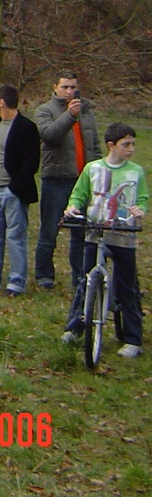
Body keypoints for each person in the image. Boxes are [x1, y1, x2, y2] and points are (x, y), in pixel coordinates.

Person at [61, 123, 146, 357]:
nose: (131, 149)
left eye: (132, 144)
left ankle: (132, 338)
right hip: (95, 232)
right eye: (126, 144)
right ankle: (75, 327)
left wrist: (140, 210)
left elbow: (142, 198)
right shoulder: (93, 169)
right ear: (111, 146)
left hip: (123, 235)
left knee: (127, 287)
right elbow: (79, 194)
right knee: (86, 281)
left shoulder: (136, 172)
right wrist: (72, 207)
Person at [34, 70, 100, 291]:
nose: (70, 92)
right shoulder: (45, 110)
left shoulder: (87, 112)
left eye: (73, 87)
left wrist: (98, 173)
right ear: (55, 88)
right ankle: (44, 275)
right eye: (65, 87)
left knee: (81, 233)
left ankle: (80, 277)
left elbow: (94, 145)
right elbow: (49, 135)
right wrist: (69, 116)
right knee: (49, 230)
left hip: (83, 180)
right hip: (56, 178)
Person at [0, 84, 40, 296]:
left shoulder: (26, 127)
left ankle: (16, 283)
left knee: (15, 237)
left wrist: (14, 188)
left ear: (1, 102)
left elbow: (32, 163)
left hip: (12, 192)